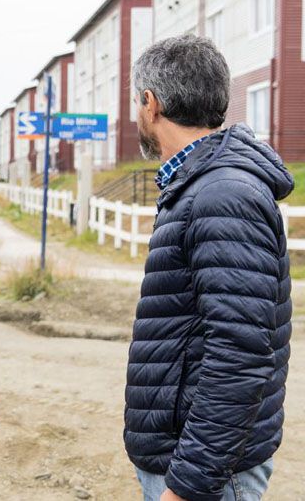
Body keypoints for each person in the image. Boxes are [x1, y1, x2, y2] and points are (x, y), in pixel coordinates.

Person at [124, 35, 292, 501]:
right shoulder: (200, 185)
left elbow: (240, 354)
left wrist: (188, 484)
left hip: (206, 471)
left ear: (150, 103)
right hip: (192, 455)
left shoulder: (221, 194)